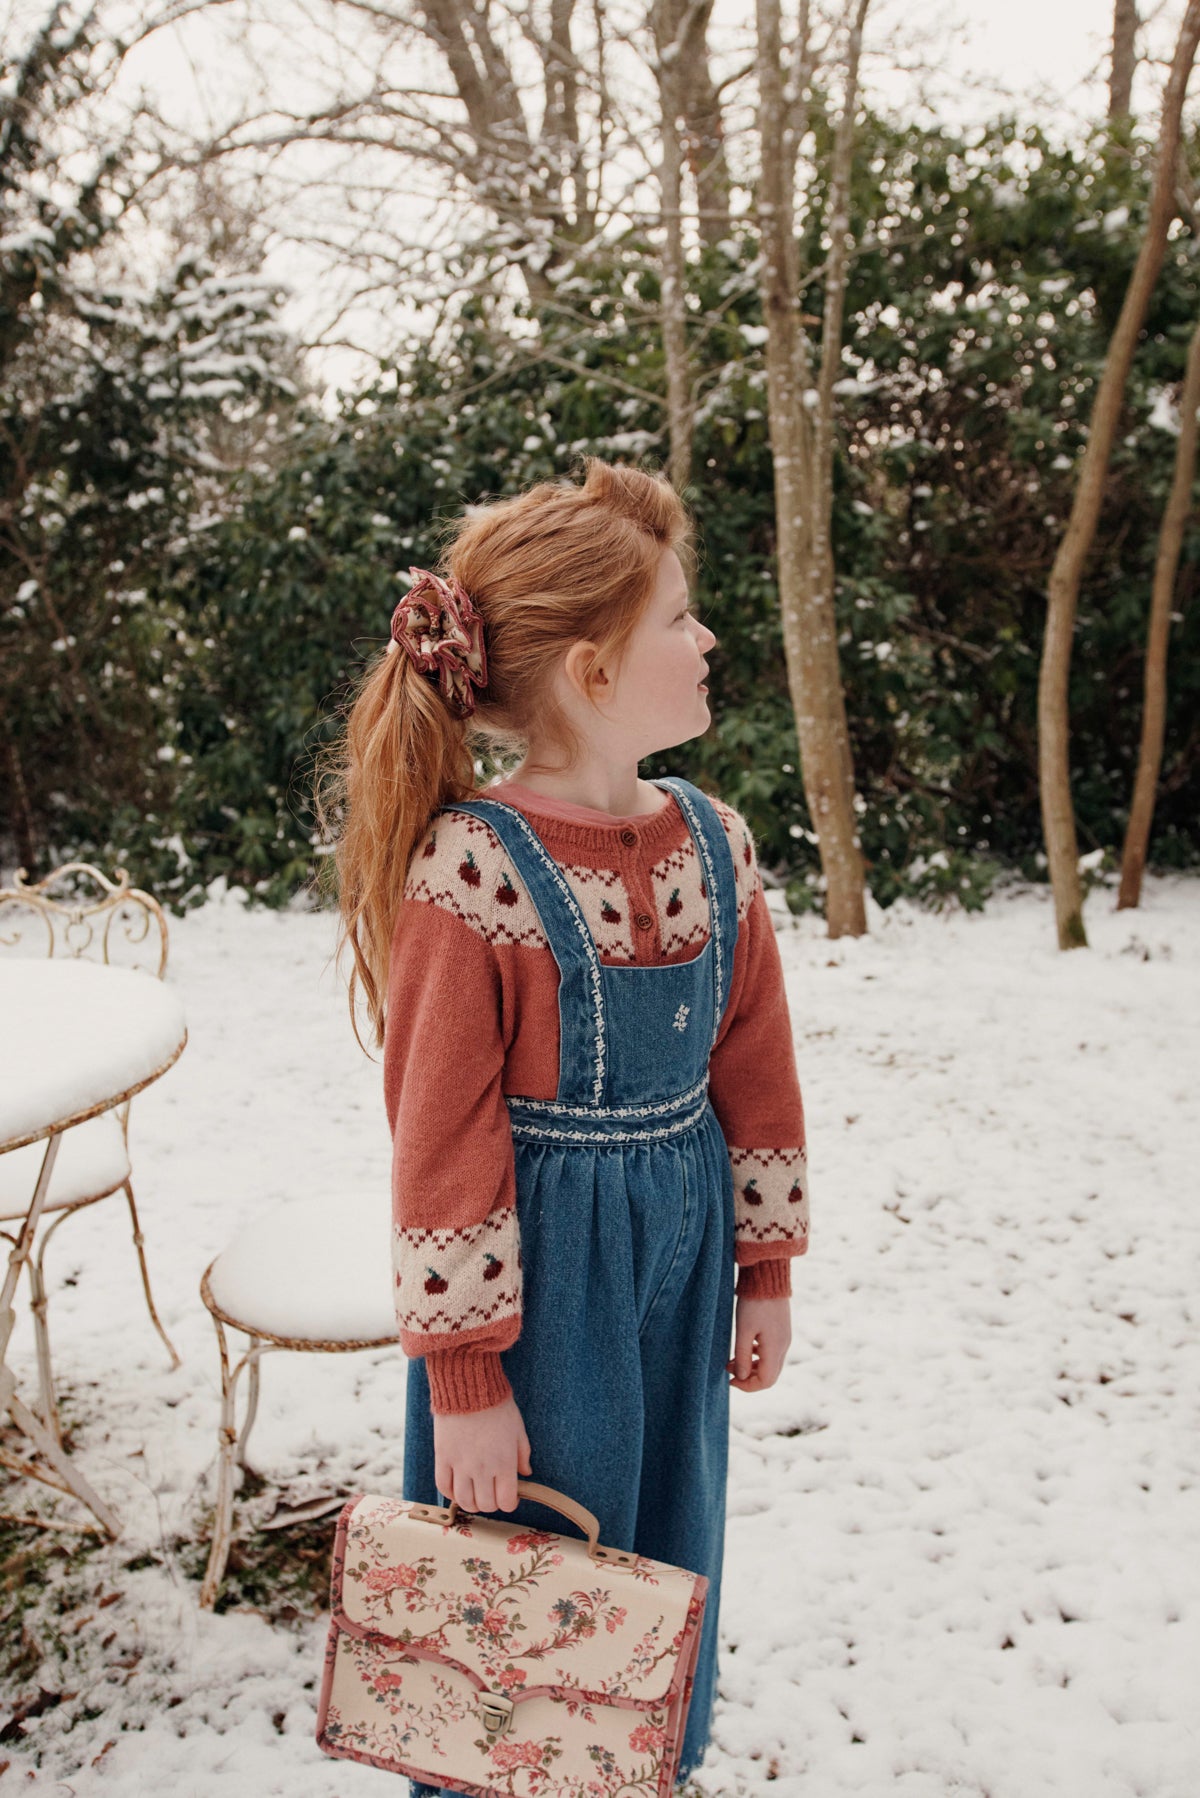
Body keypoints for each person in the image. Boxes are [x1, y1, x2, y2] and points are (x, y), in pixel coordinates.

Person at [323, 458, 810, 1796]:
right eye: (679, 618)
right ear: (594, 671)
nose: (707, 640)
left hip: (681, 1267)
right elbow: (439, 1136)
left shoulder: (716, 843)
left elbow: (755, 1064)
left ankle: (642, 1764)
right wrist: (465, 1381)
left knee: (662, 1541)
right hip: (538, 1294)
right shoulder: (472, 869)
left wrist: (766, 1270)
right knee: (533, 1573)